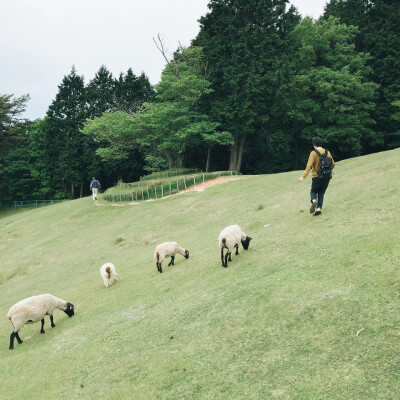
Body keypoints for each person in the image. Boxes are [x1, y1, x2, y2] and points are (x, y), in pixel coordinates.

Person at [299, 137, 335, 216]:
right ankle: (318, 209)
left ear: (314, 145)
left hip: (316, 176)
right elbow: (332, 164)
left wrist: (303, 176)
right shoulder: (327, 152)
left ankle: (314, 200)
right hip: (327, 176)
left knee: (313, 191)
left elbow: (309, 166)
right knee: (321, 193)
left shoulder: (313, 153)